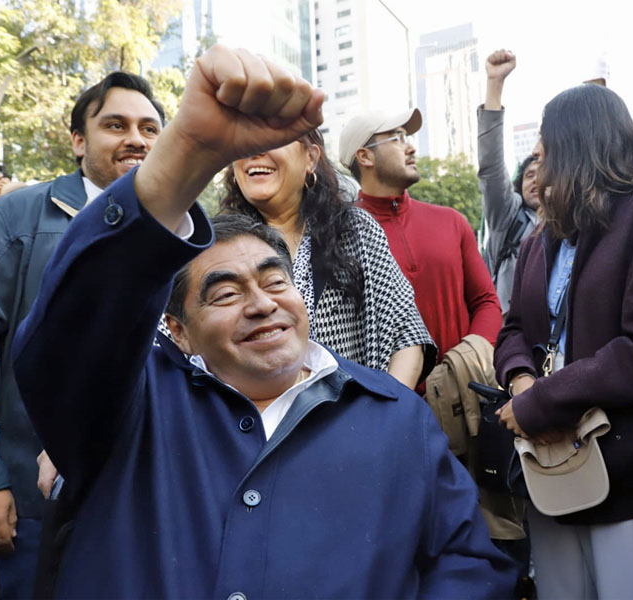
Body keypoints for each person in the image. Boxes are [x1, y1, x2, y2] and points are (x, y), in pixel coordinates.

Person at [11, 44, 516, 598]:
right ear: (177, 329)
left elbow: (466, 566)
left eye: (276, 282)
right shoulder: (142, 410)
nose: (262, 303)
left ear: (312, 159)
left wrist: (371, 425)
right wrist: (185, 152)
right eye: (224, 292)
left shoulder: (396, 422)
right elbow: (84, 341)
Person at [493, 83, 633, 599]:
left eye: (546, 148)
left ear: (577, 144)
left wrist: (542, 400)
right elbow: (514, 328)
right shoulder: (542, 235)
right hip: (548, 466)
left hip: (621, 467)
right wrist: (519, 380)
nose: (538, 162)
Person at [0, 70, 164, 598]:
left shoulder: (186, 232)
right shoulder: (17, 219)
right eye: (115, 125)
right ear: (79, 140)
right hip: (30, 505)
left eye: (150, 128)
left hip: (147, 500)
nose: (136, 139)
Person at [219, 128, 435, 388]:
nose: (255, 151)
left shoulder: (355, 229)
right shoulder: (217, 247)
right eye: (243, 141)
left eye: (272, 138)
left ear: (310, 158)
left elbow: (407, 335)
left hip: (358, 416)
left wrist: (386, 415)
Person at [340, 109, 502, 366]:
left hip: (467, 395)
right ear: (365, 156)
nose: (411, 148)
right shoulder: (338, 238)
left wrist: (467, 361)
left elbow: (486, 302)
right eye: (397, 138)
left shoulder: (451, 221)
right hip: (391, 401)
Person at [477, 49, 539, 315]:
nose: (535, 180)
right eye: (528, 175)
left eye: (543, 172)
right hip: (509, 340)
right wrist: (495, 85)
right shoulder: (509, 217)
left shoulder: (575, 224)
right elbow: (491, 168)